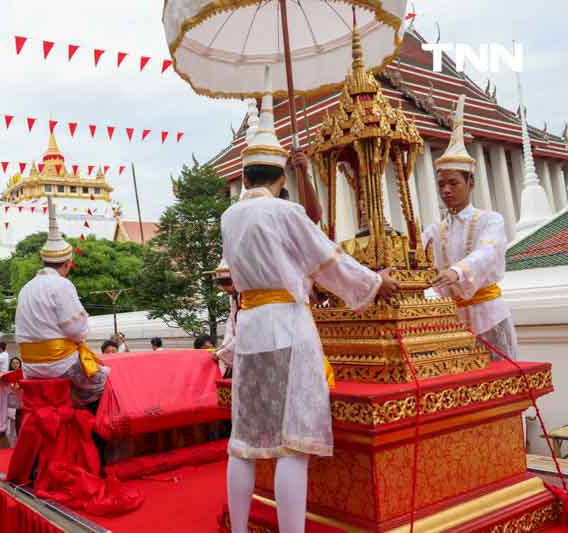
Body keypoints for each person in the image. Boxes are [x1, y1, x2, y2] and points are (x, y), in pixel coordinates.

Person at [220, 80, 399, 533]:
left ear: (244, 176)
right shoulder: (284, 212)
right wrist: (377, 282)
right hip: (286, 326)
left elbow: (301, 243)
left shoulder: (230, 216)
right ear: (280, 177)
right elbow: (327, 259)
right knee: (290, 443)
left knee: (243, 441)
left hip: (251, 327)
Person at [423, 95, 518, 360]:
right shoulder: (434, 230)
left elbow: (487, 253)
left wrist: (456, 272)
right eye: (441, 184)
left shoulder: (491, 220)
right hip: (453, 323)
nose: (446, 190)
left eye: (453, 183)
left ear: (471, 182)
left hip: (489, 316)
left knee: (503, 384)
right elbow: (415, 257)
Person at [14, 195, 109, 407]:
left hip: (30, 365)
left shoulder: (26, 288)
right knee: (106, 384)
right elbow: (77, 329)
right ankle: (97, 436)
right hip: (57, 363)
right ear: (67, 264)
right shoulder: (62, 285)